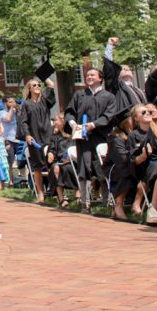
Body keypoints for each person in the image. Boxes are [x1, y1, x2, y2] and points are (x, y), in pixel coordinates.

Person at [64, 65, 116, 211]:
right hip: (82, 137)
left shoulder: (109, 97)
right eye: (87, 75)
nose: (89, 77)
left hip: (101, 136)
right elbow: (69, 112)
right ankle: (85, 203)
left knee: (102, 167)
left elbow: (109, 115)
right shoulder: (80, 95)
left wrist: (93, 124)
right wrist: (73, 123)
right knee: (83, 166)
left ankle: (106, 201)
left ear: (100, 78)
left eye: (93, 75)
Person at [129, 103, 157, 225]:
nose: (147, 113)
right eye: (143, 112)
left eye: (148, 111)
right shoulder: (134, 135)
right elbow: (133, 161)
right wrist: (143, 156)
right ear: (136, 118)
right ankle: (153, 208)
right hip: (146, 166)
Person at [18, 76, 56, 203]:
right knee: (37, 167)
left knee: (51, 163)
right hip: (34, 138)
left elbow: (51, 85)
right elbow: (23, 122)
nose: (38, 87)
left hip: (47, 136)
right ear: (29, 88)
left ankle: (54, 191)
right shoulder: (26, 104)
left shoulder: (45, 101)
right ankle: (40, 192)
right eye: (34, 85)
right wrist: (27, 135)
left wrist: (43, 74)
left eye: (39, 85)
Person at [105, 111, 139, 221]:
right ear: (124, 122)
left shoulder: (135, 134)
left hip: (130, 164)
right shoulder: (116, 138)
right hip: (114, 167)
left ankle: (137, 204)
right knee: (127, 172)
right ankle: (118, 205)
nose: (135, 121)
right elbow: (122, 159)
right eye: (132, 118)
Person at [46, 113, 78, 207]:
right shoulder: (55, 137)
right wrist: (50, 153)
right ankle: (61, 198)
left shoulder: (74, 135)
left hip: (74, 162)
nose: (54, 122)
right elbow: (52, 149)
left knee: (74, 168)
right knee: (56, 168)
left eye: (56, 120)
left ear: (63, 121)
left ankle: (79, 195)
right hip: (59, 162)